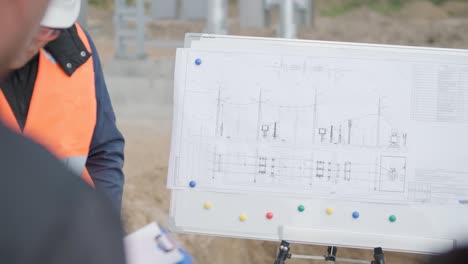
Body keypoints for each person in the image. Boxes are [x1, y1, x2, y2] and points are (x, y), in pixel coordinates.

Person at [0, 1, 126, 264]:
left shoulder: (79, 50)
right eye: (33, 28)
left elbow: (104, 152)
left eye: (49, 31)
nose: (36, 39)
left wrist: (97, 227)